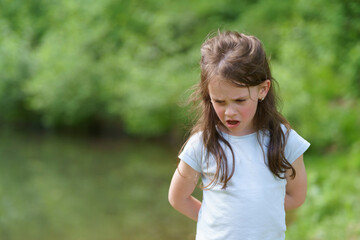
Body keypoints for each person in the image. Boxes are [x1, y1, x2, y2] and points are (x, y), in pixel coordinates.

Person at [168, 31, 310, 240]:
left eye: (240, 100)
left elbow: (296, 196)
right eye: (220, 102)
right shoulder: (203, 143)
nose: (229, 112)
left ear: (263, 89)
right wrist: (217, 222)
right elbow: (178, 198)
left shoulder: (285, 140)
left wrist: (257, 216)